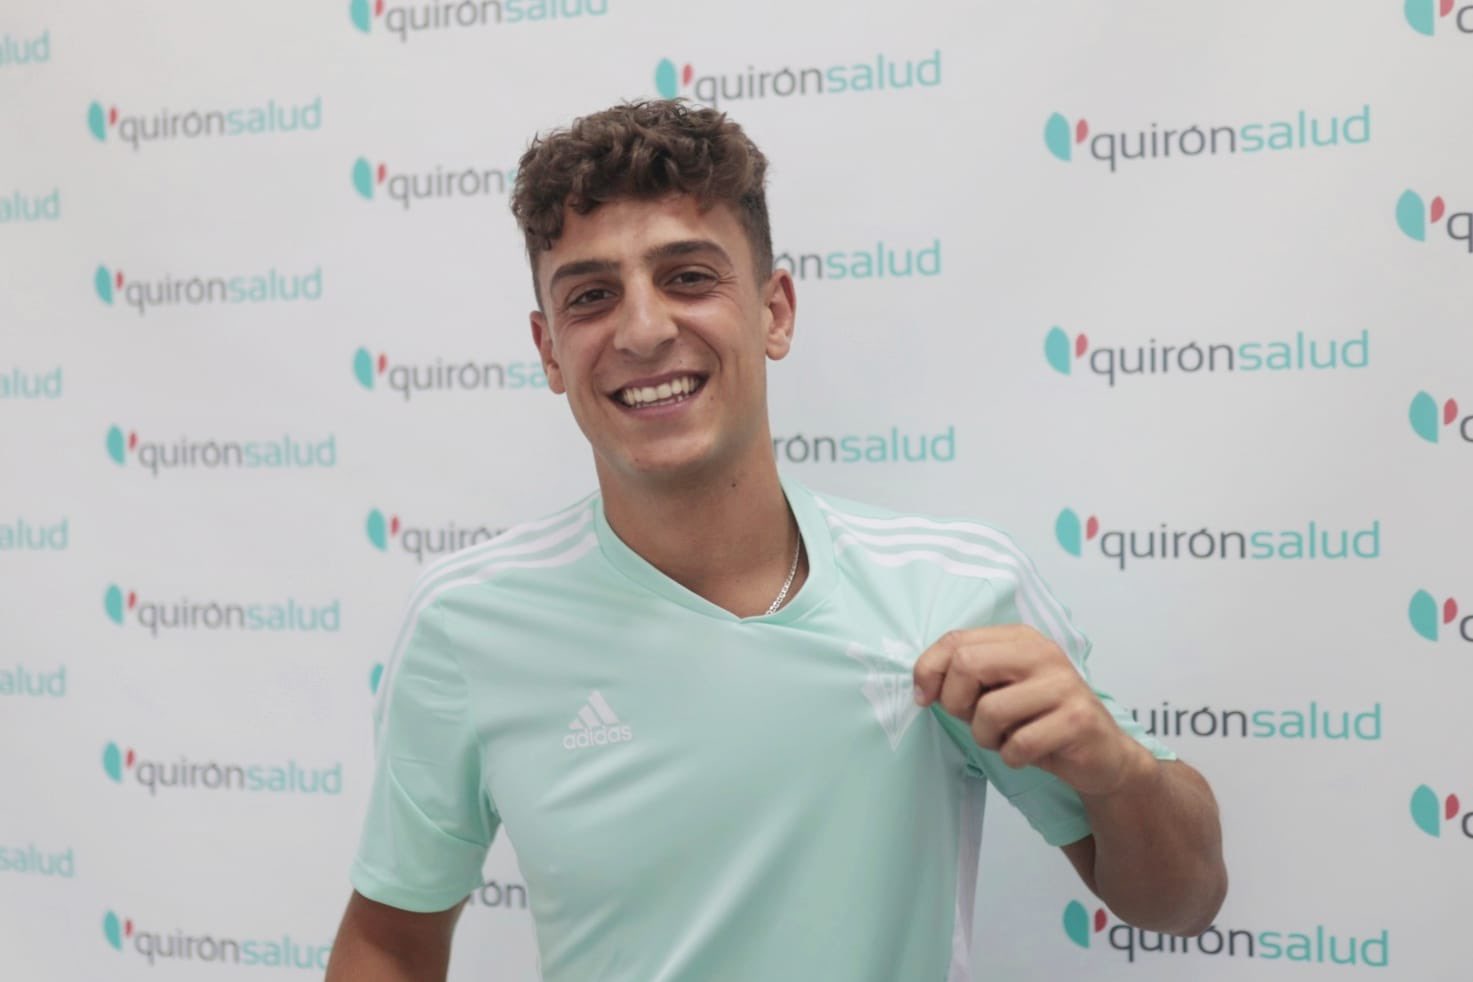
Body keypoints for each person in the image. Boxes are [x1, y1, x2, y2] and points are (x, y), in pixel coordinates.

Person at [325, 100, 1227, 981]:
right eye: (592, 296)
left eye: (688, 278)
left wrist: (1119, 774)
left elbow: (1181, 904)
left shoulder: (954, 590)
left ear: (775, 311)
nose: (643, 330)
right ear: (550, 350)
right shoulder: (467, 621)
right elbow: (390, 941)